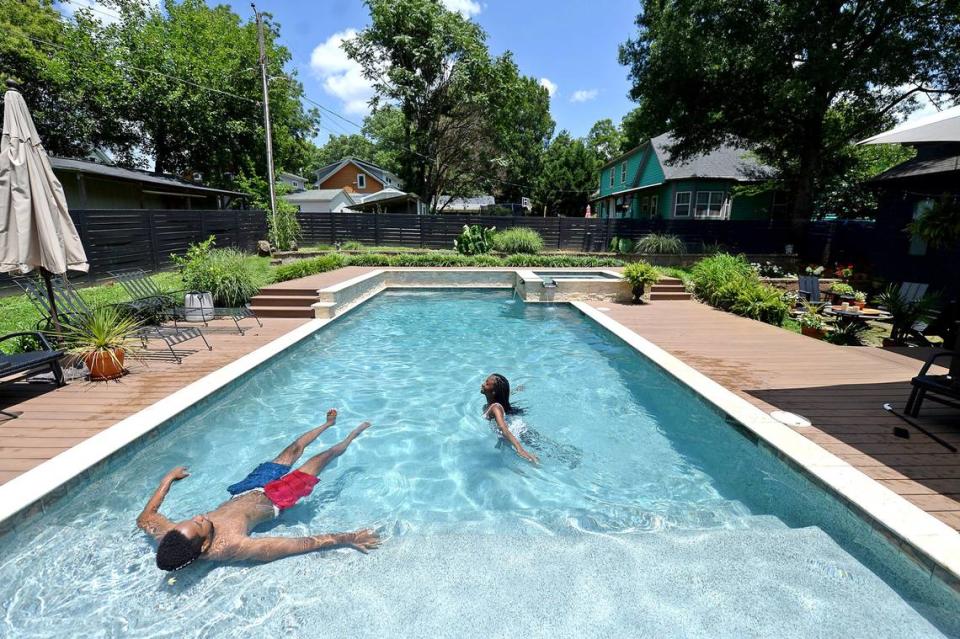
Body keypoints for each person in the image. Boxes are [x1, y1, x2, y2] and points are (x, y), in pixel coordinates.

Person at [137, 409, 379, 571]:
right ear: (203, 545)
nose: (199, 516)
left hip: (247, 489)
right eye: (199, 524)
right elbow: (295, 544)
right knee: (325, 456)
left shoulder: (173, 537)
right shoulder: (231, 546)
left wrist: (169, 478)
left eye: (192, 519)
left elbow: (146, 517)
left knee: (294, 448)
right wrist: (348, 538)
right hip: (276, 497)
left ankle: (328, 424)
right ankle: (351, 436)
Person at [481, 373, 539, 464]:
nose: (483, 384)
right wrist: (515, 391)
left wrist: (520, 450)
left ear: (493, 392)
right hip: (515, 425)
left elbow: (503, 429)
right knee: (541, 446)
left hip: (515, 430)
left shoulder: (495, 407)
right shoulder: (494, 403)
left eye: (487, 384)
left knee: (544, 448)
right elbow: (503, 394)